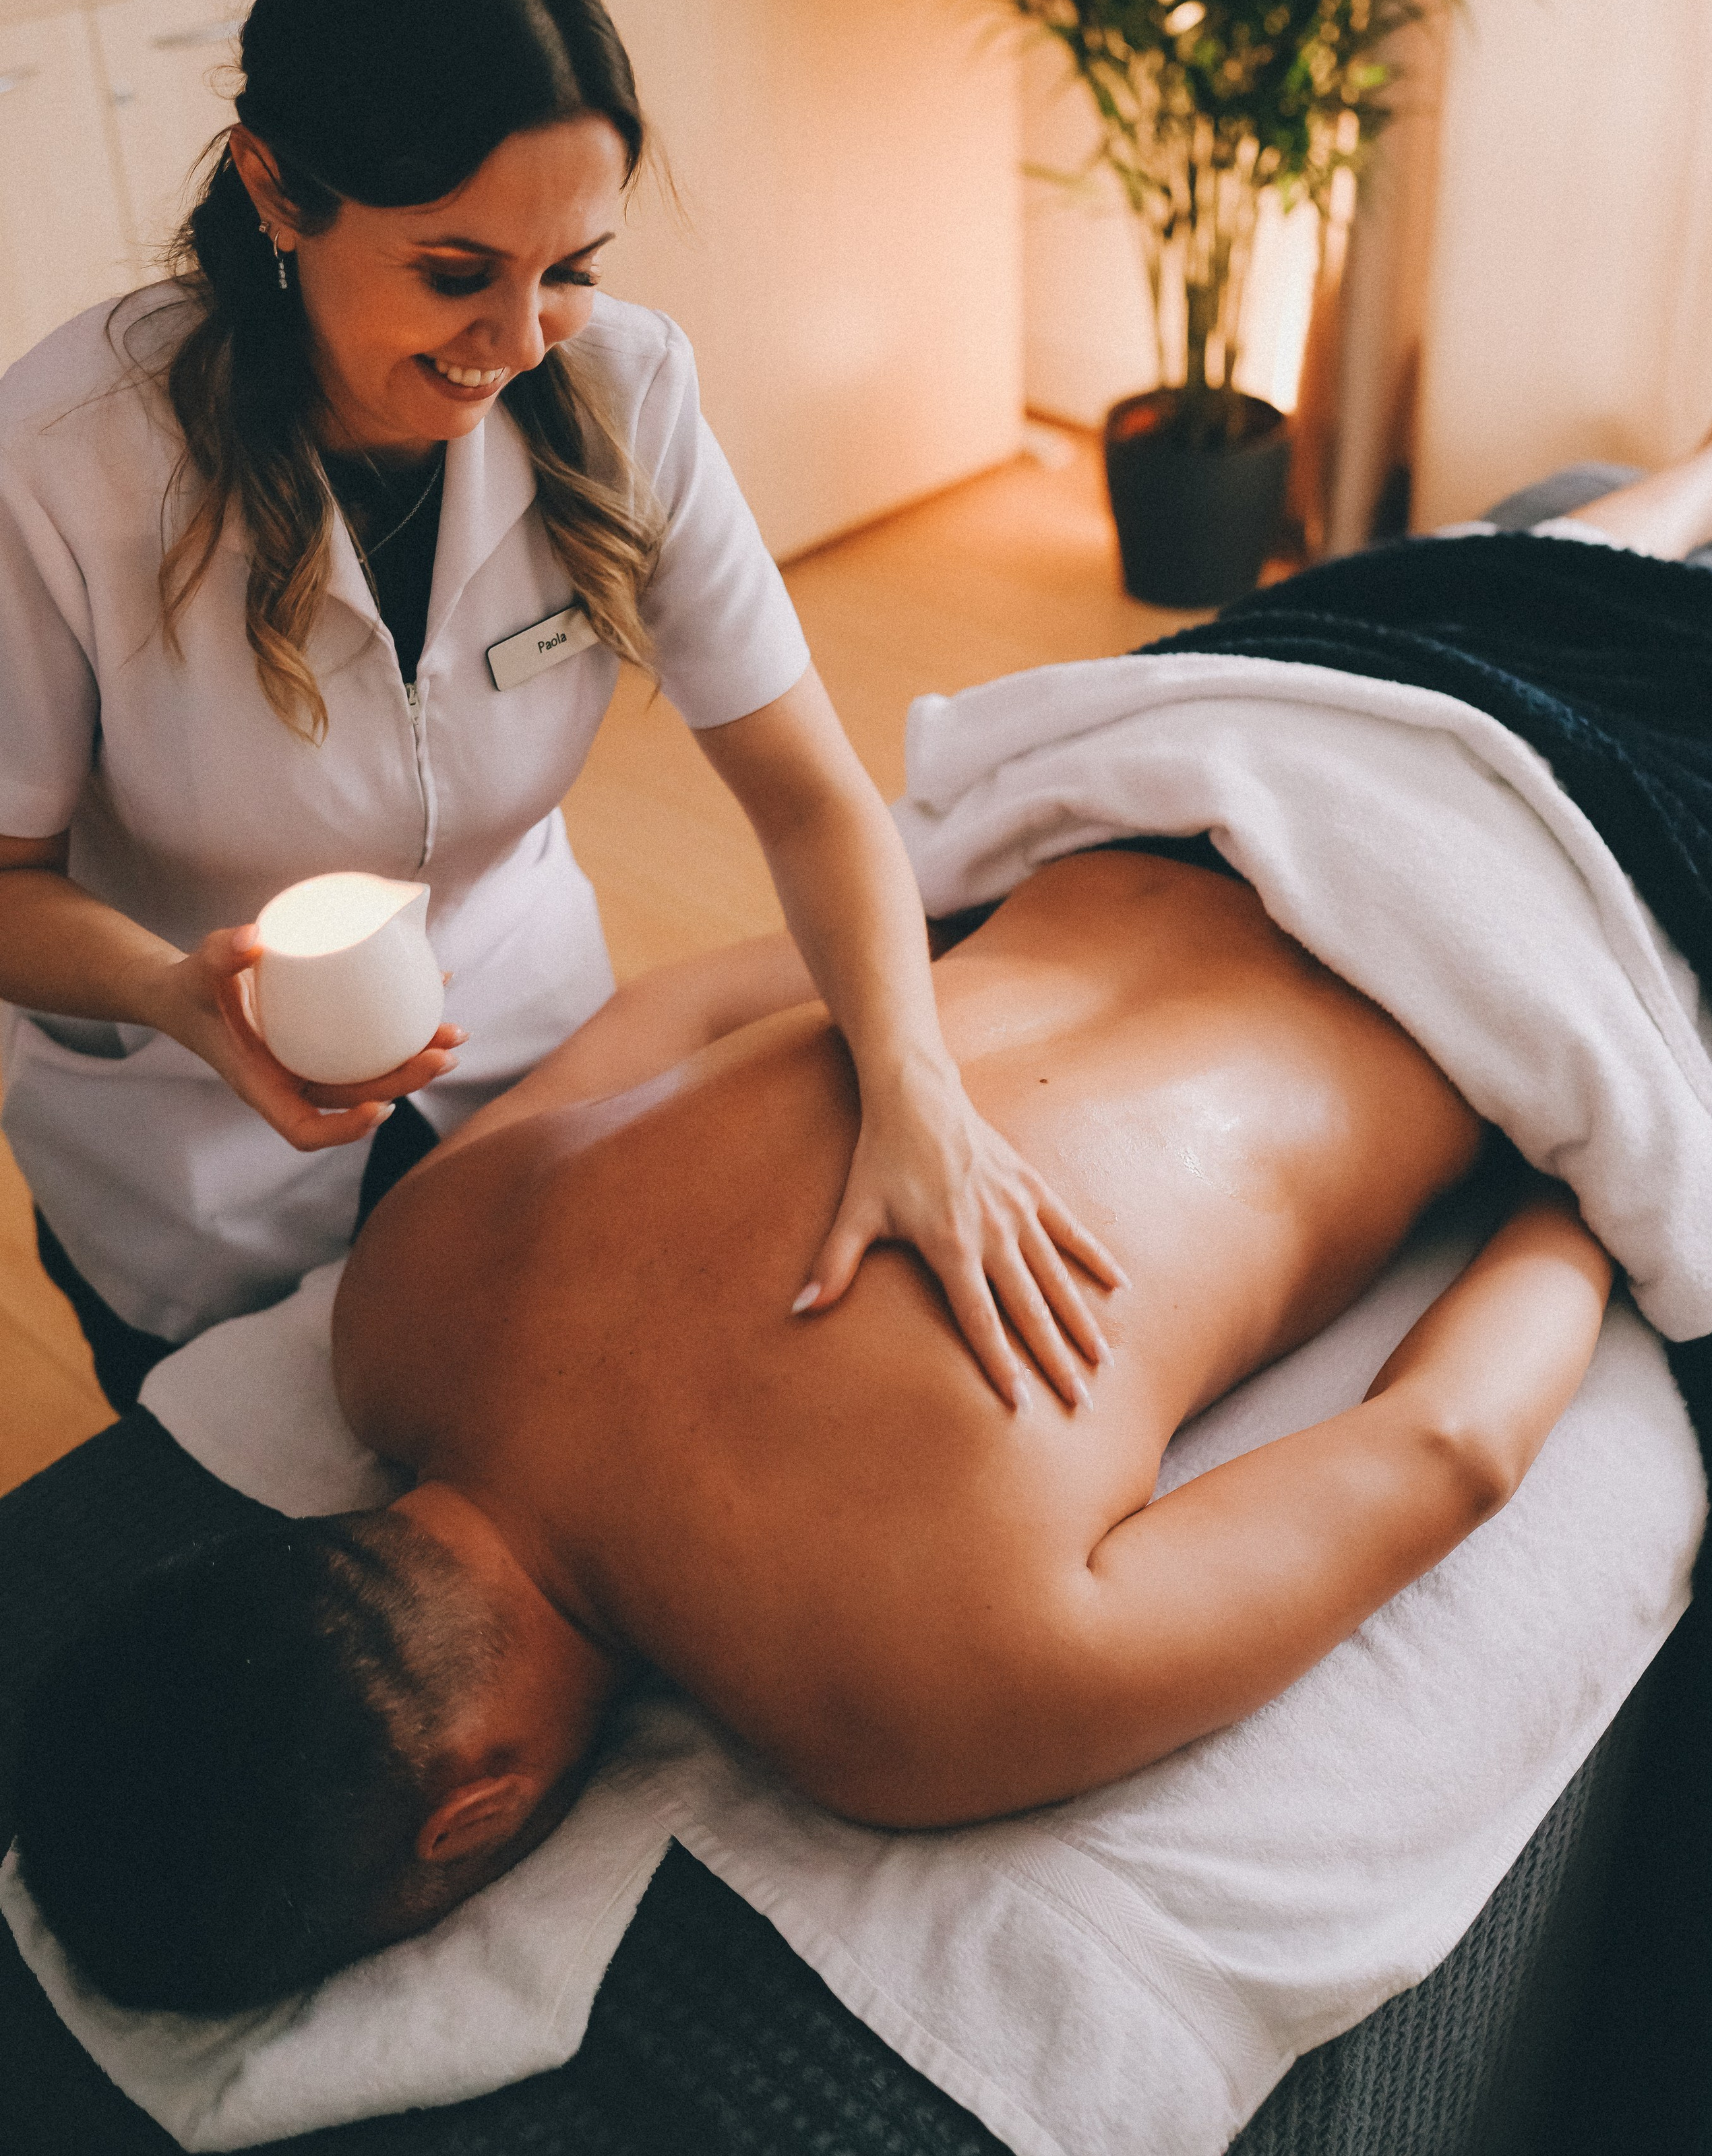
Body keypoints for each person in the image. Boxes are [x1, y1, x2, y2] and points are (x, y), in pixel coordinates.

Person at [12, 842, 1614, 2014]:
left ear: (470, 1813)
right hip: (1202, 781)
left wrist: (1608, 1144)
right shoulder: (395, 1297)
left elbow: (1445, 1447)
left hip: (1518, 920)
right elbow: (689, 998)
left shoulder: (902, 1708)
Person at [0, 0, 1115, 1421]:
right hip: (197, 1144)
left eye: (570, 269)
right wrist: (178, 997)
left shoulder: (626, 388)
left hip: (532, 1060)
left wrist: (918, 1093)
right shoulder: (61, 467)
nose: (518, 340)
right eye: (456, 269)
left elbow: (812, 797)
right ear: (276, 187)